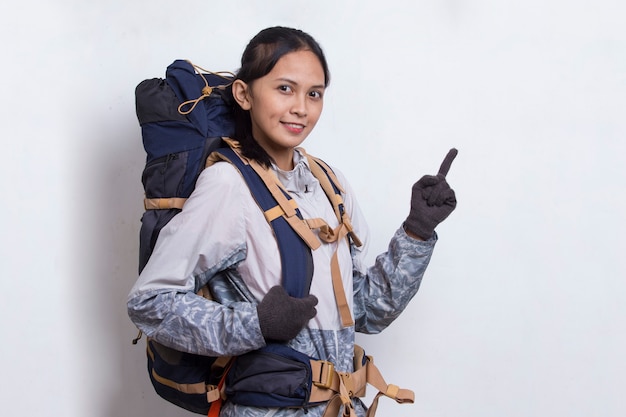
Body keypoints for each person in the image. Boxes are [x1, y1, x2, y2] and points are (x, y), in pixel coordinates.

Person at [128, 26, 457, 417]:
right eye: (285, 88)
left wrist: (417, 233)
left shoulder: (329, 184)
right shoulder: (228, 186)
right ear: (244, 94)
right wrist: (256, 323)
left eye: (314, 93)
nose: (301, 107)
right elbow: (149, 304)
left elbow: (370, 310)